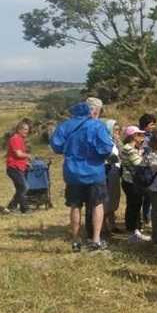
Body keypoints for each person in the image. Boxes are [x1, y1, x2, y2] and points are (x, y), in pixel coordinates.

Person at [51, 98, 114, 252]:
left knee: (75, 206)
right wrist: (97, 155)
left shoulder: (65, 126)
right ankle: (96, 240)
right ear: (90, 111)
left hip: (72, 172)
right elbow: (106, 148)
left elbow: (56, 146)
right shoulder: (97, 125)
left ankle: (75, 240)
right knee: (97, 205)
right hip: (94, 171)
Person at [120, 125, 151, 243]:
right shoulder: (128, 148)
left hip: (132, 181)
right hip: (131, 182)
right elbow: (139, 164)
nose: (143, 137)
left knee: (136, 205)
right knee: (134, 206)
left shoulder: (133, 148)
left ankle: (136, 231)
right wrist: (145, 156)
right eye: (140, 135)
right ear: (133, 136)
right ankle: (133, 232)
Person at [4, 121, 32, 215]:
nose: (26, 131)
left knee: (20, 189)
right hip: (13, 168)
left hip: (19, 167)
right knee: (24, 187)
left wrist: (26, 163)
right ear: (19, 129)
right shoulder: (15, 139)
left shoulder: (20, 139)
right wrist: (28, 156)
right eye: (24, 129)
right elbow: (18, 154)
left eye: (27, 130)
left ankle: (24, 209)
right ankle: (10, 208)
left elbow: (18, 155)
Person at [102, 120, 123, 234]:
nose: (118, 132)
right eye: (115, 130)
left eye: (119, 130)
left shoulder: (115, 141)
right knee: (107, 198)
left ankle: (112, 224)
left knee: (114, 197)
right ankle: (104, 227)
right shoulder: (105, 141)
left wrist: (118, 141)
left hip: (115, 171)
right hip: (107, 171)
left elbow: (122, 153)